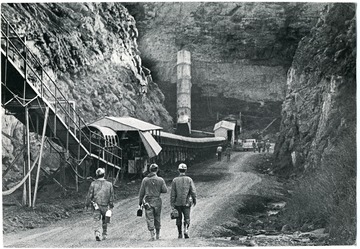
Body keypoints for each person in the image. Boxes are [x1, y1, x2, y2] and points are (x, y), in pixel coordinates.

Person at [138, 163, 168, 241]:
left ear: (149, 170)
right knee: (157, 217)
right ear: (157, 170)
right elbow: (165, 190)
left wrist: (140, 203)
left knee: (150, 217)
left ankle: (152, 236)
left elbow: (141, 192)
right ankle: (158, 234)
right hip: (157, 200)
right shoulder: (160, 180)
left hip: (148, 201)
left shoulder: (145, 180)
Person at [85, 168, 114, 241]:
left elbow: (90, 195)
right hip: (105, 205)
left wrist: (87, 204)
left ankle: (97, 233)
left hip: (96, 205)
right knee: (105, 220)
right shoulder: (109, 184)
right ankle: (104, 234)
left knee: (96, 220)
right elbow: (111, 196)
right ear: (104, 174)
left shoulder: (93, 184)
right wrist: (111, 205)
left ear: (97, 175)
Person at [170, 163, 197, 239]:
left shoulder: (175, 180)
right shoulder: (189, 179)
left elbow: (173, 193)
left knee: (178, 218)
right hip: (187, 202)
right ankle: (186, 230)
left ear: (178, 170)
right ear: (185, 170)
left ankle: (179, 233)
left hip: (177, 203)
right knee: (187, 217)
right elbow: (193, 191)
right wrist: (194, 199)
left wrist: (172, 204)